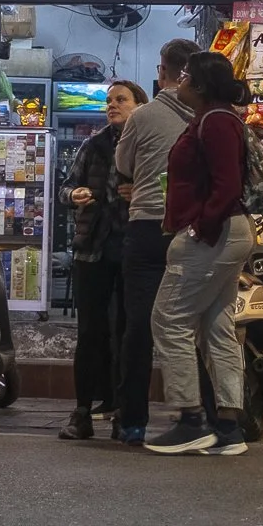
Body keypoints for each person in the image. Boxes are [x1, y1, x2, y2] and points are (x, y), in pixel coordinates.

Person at [143, 52, 258, 456]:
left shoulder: (217, 122)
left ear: (202, 85)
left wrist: (200, 227)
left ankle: (191, 420)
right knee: (216, 325)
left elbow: (227, 186)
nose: (179, 82)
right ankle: (228, 427)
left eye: (186, 76)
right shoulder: (217, 119)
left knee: (168, 319)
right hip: (226, 233)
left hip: (217, 234)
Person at [110, 37, 200, 444]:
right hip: (192, 229)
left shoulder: (143, 117)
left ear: (163, 72)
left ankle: (132, 422)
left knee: (139, 327)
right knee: (194, 324)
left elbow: (123, 164)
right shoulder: (207, 116)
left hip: (147, 226)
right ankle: (201, 415)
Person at [58, 80, 142, 441]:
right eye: (109, 101)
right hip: (92, 248)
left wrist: (141, 191)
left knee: (128, 331)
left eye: (121, 100)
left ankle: (125, 411)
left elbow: (168, 188)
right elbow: (65, 187)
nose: (112, 105)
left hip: (133, 248)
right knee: (90, 331)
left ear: (140, 105)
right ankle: (81, 412)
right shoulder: (93, 145)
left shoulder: (147, 145)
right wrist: (73, 194)